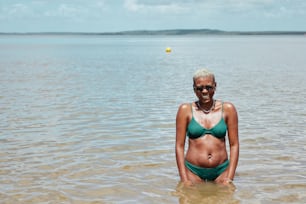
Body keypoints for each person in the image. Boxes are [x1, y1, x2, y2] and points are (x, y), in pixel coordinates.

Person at [175, 68, 239, 185]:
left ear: (215, 86)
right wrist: (184, 179)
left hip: (222, 171)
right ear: (194, 89)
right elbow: (179, 146)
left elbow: (234, 145)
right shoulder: (185, 110)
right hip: (192, 171)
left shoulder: (228, 109)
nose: (204, 91)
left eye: (209, 87)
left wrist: (230, 177)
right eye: (199, 88)